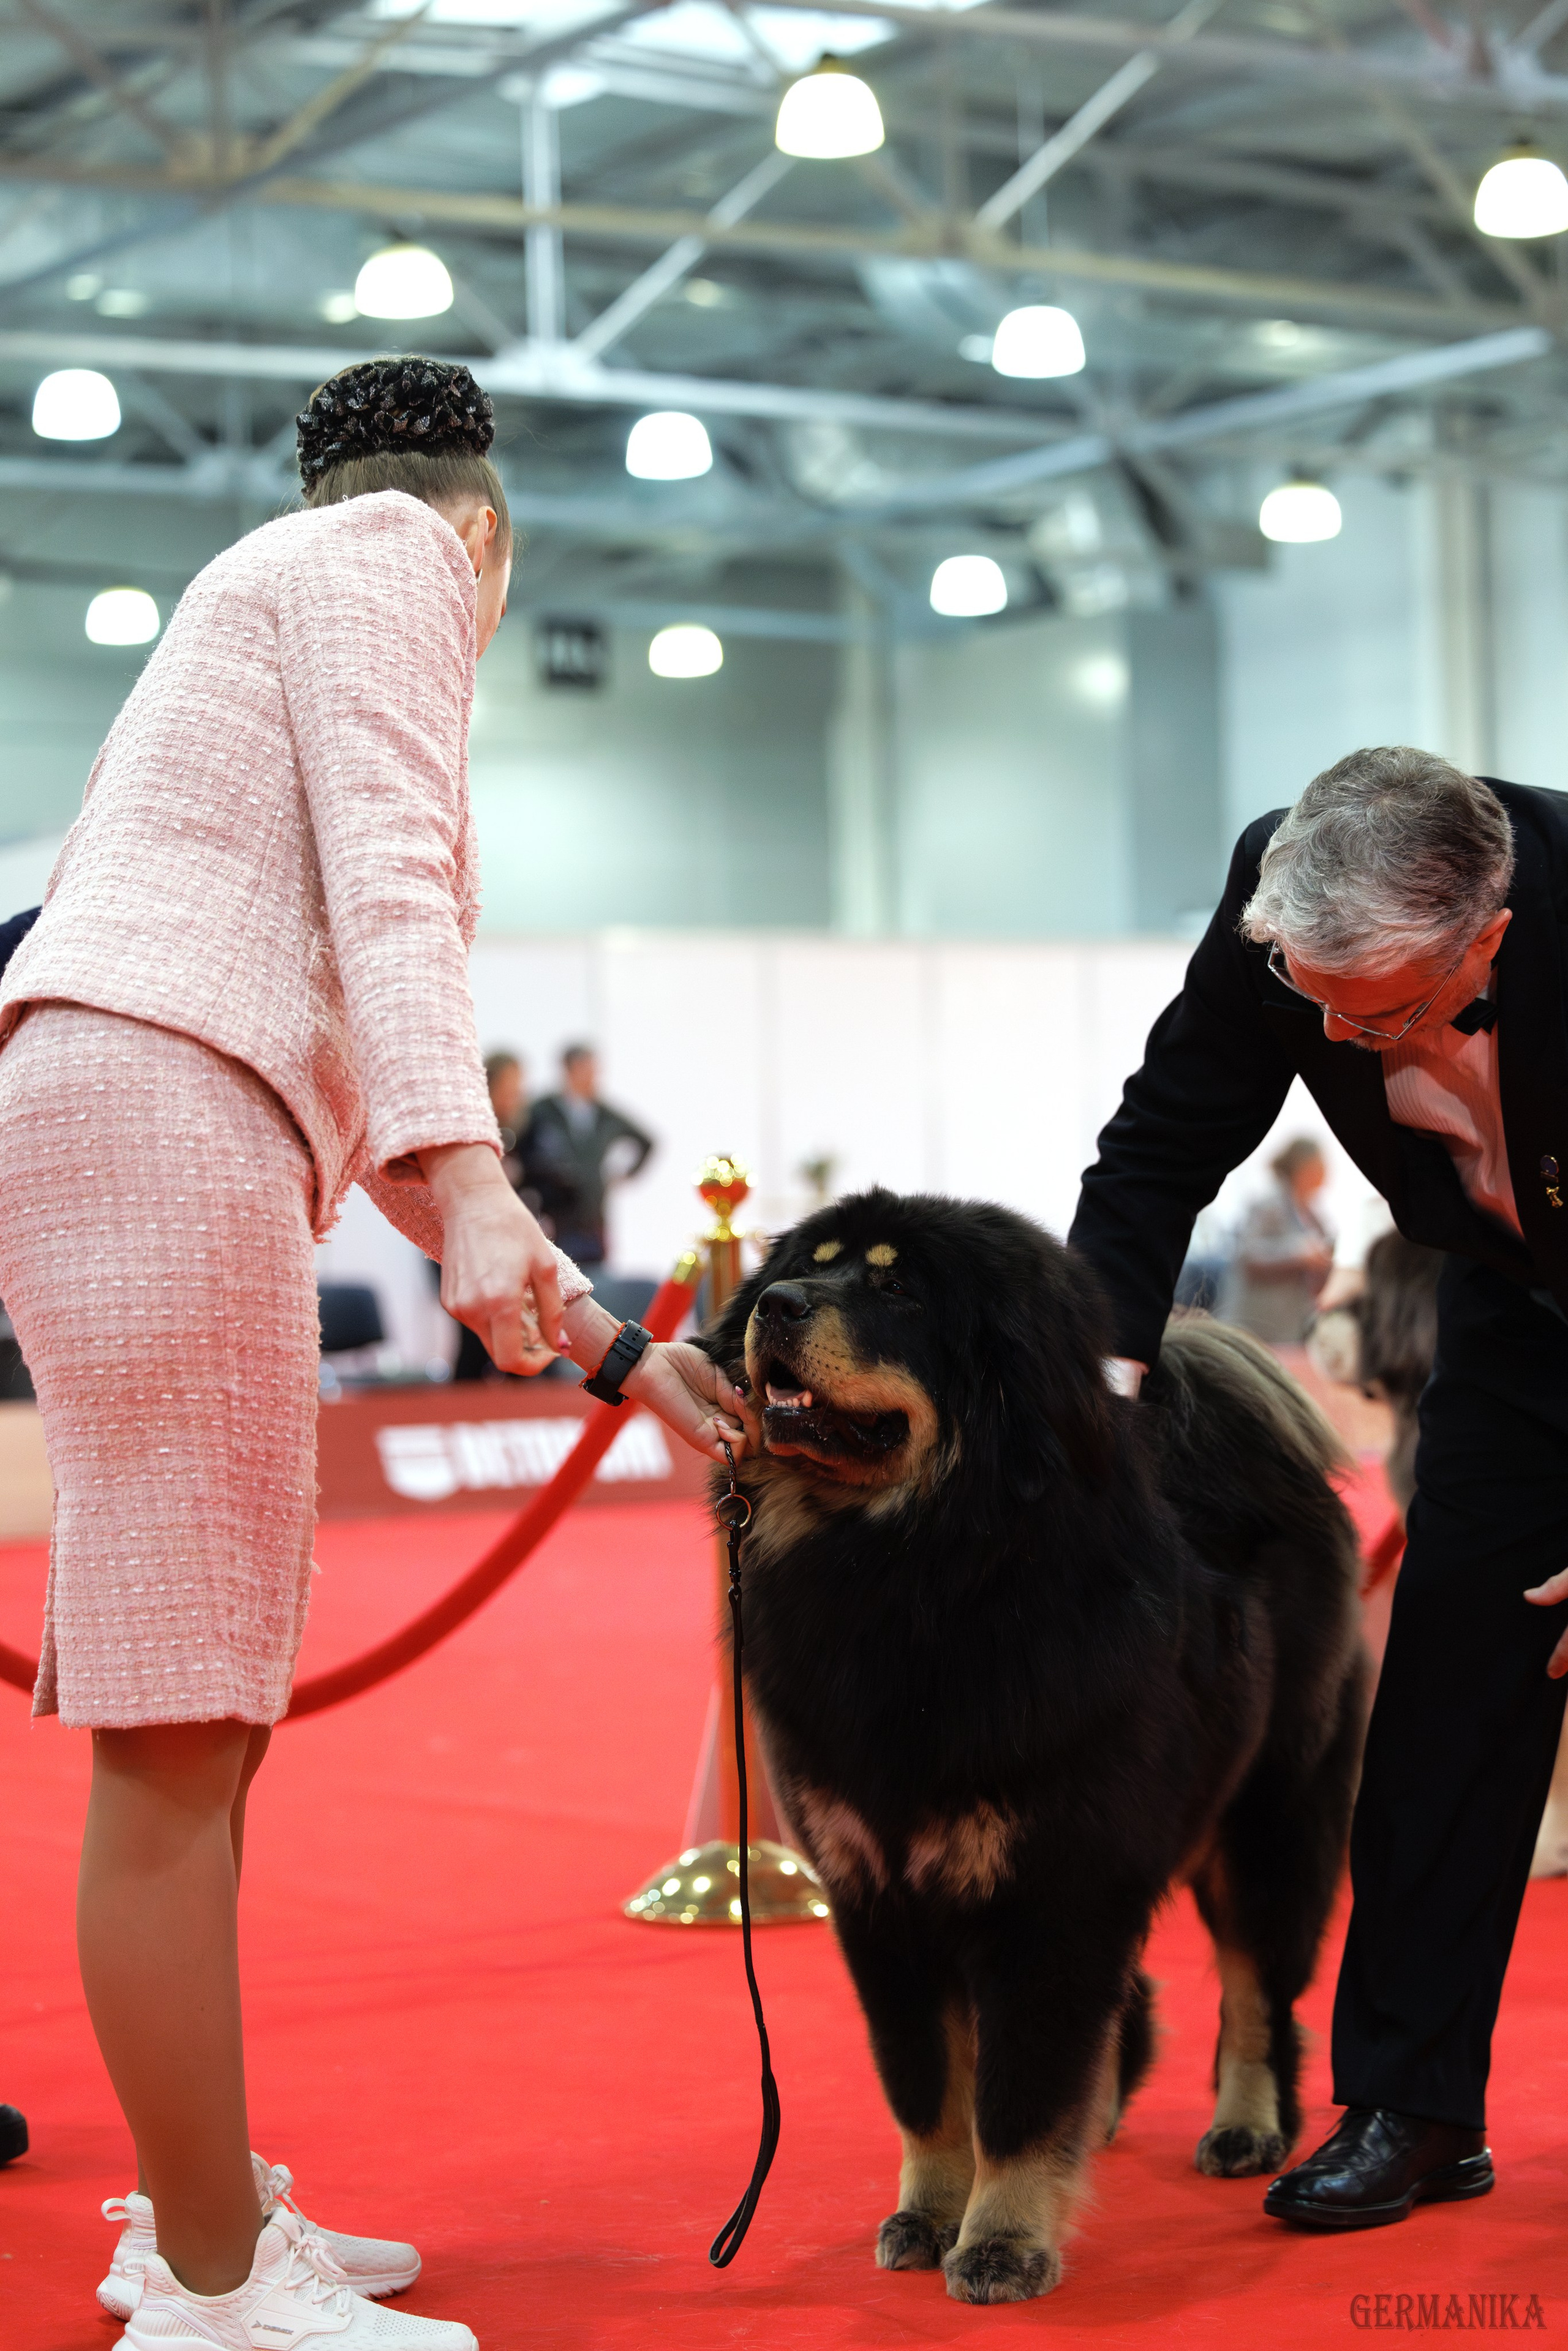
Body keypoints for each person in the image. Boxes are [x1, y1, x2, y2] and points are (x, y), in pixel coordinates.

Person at [0, 356, 745, 2350]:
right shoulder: (396, 554)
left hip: (156, 1101)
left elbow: (351, 1016)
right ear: (492, 533)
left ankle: (206, 2206)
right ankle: (218, 2284)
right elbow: (400, 894)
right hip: (162, 1114)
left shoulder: (271, 581)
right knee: (178, 1725)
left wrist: (603, 1345)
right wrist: (487, 1177)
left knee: (203, 1713)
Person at [1069, 745, 1568, 2232]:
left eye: (1392, 1014)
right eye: (1323, 1013)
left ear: (1487, 933)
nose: (1356, 1049)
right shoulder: (1272, 909)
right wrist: (1096, 1394)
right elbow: (1157, 1149)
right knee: (1444, 1707)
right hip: (1503, 1302)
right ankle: (1411, 2106)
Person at [451, 1051, 540, 1381]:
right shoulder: (469, 1132)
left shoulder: (526, 1135)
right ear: (488, 1088)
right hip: (472, 1258)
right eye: (511, 1088)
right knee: (474, 1349)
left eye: (520, 1088)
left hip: (512, 1259)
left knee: (523, 1346)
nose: (518, 1096)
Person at [524, 1045, 653, 1269]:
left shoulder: (605, 1114)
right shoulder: (542, 1110)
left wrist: (626, 1174)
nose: (594, 1077)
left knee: (596, 1280)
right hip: (555, 1217)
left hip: (593, 1215)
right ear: (569, 1070)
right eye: (588, 1070)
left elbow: (646, 1140)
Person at [1217, 1136, 1334, 1343]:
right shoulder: (1269, 1204)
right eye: (1320, 1165)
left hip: (1289, 1326)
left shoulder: (1314, 1216)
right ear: (1304, 1169)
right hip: (1255, 1325)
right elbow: (1247, 1254)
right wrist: (1298, 1253)